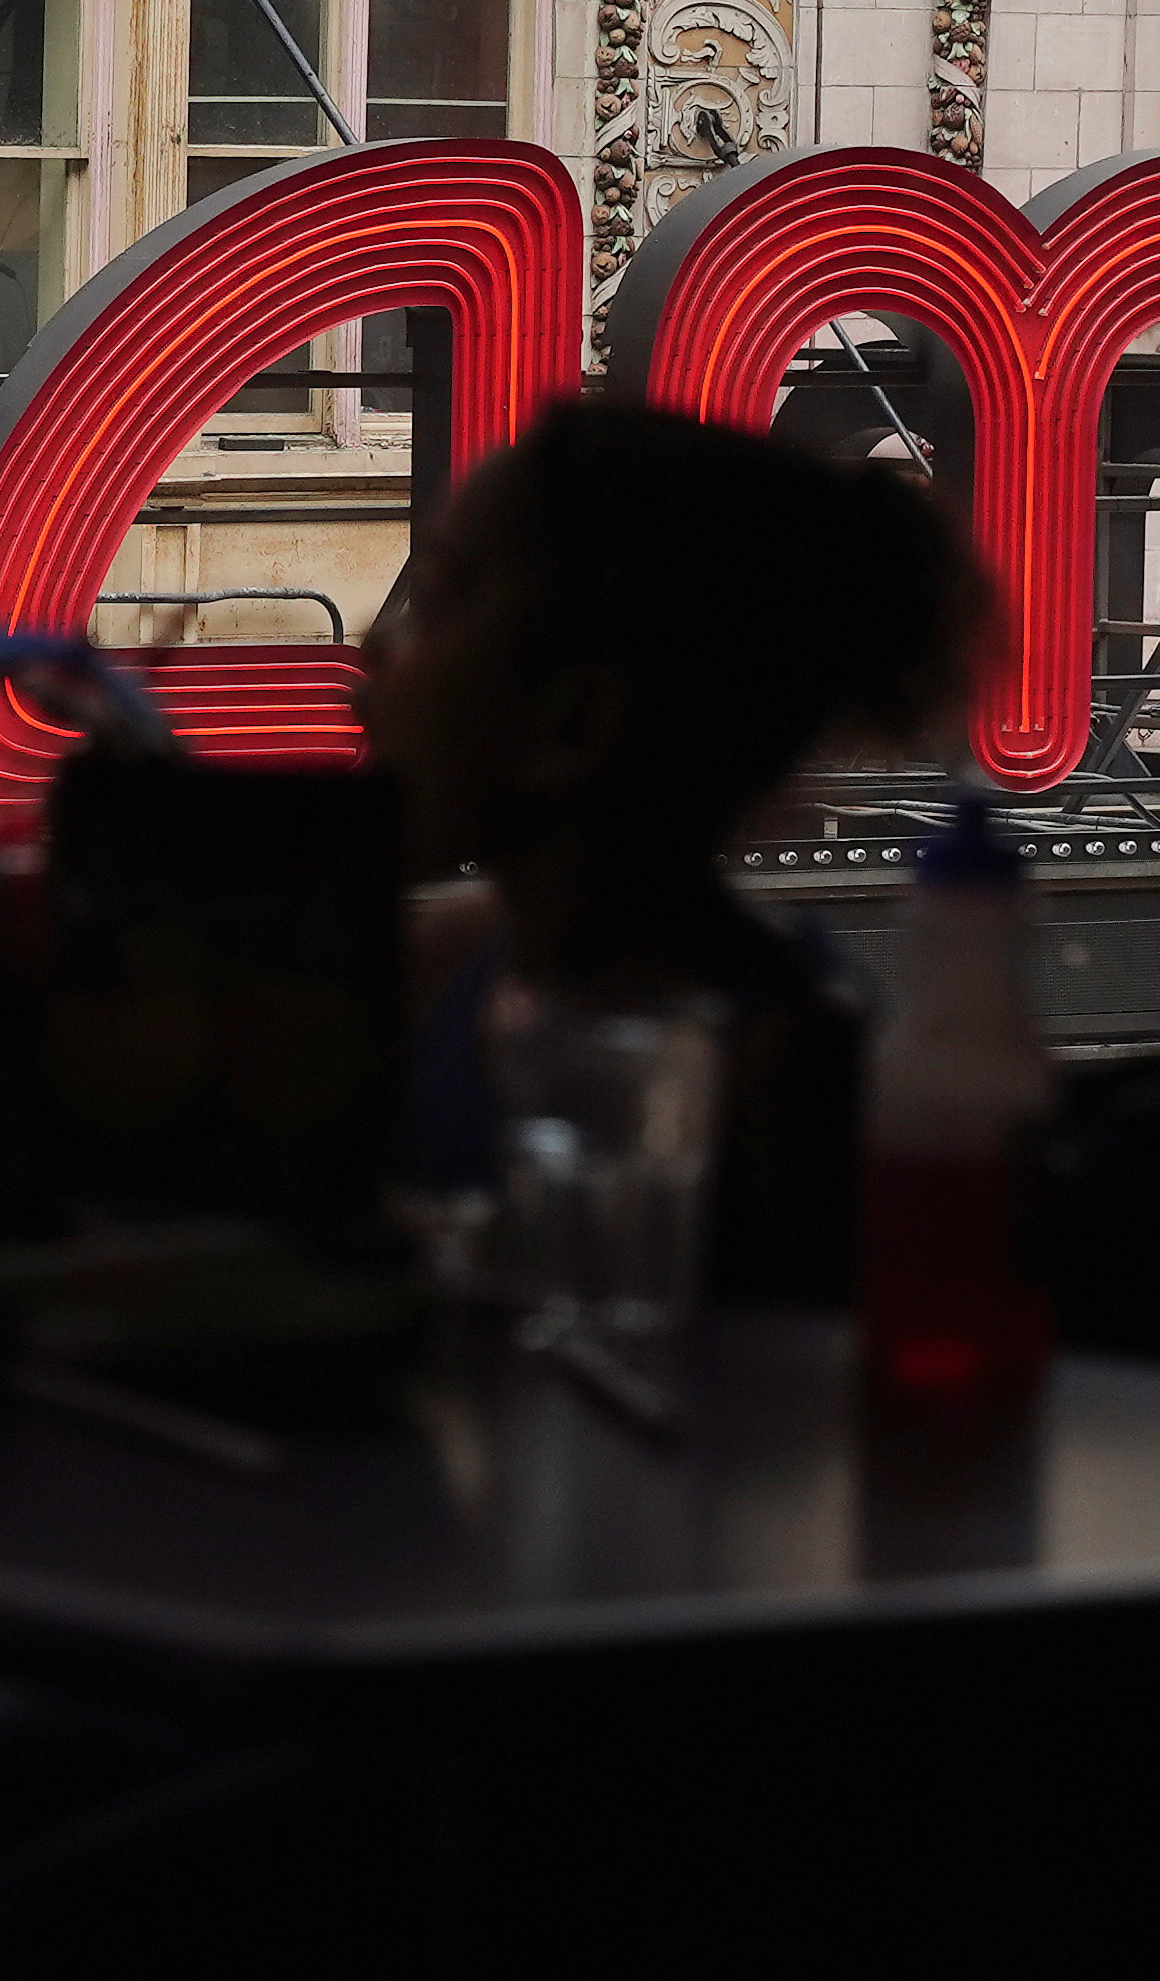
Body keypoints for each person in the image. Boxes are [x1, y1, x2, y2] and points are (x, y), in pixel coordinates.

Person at [363, 398, 992, 1305]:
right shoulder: (440, 964)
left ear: (576, 722)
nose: (370, 661)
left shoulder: (787, 1066)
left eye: (435, 604)